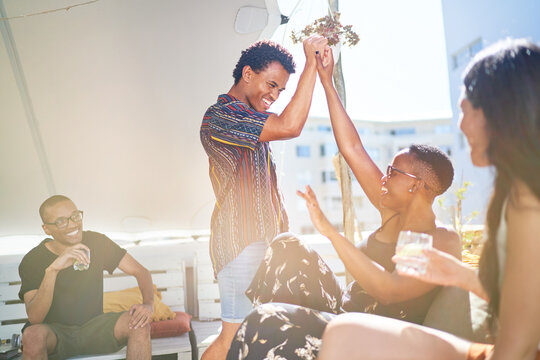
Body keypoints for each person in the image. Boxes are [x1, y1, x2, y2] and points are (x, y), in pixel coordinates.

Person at [226, 46, 461, 359]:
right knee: (286, 247)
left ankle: (279, 334)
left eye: (393, 171)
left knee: (265, 322)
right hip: (344, 313)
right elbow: (351, 147)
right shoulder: (390, 209)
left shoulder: (440, 239)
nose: (384, 176)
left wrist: (331, 232)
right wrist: (326, 81)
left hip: (373, 334)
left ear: (416, 186)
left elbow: (389, 290)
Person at [318, 38, 540, 360]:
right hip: (490, 347)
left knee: (336, 331)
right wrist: (457, 273)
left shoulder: (526, 203)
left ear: (503, 112)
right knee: (341, 328)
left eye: (466, 110)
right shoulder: (511, 194)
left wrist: (329, 232)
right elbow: (352, 149)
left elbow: (522, 330)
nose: (461, 125)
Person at [199, 36, 328, 360]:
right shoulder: (221, 117)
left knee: (253, 340)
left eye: (280, 90)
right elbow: (290, 125)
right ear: (247, 74)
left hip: (263, 247)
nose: (274, 95)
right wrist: (312, 65)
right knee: (232, 341)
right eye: (271, 85)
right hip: (240, 247)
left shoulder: (250, 120)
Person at [19, 195, 154, 360]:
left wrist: (148, 304)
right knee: (32, 336)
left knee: (139, 325)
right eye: (61, 221)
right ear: (47, 229)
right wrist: (53, 270)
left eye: (75, 216)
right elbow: (35, 318)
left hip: (95, 327)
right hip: (56, 333)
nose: (73, 224)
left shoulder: (97, 242)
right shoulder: (33, 260)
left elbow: (141, 272)